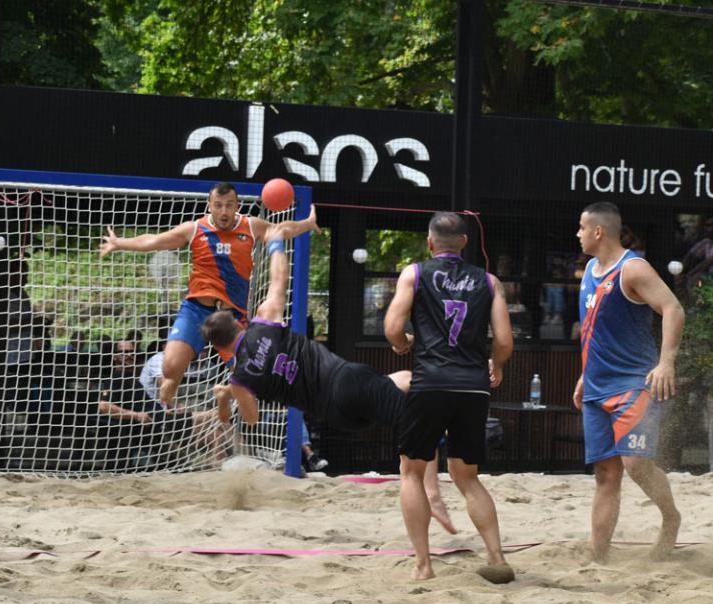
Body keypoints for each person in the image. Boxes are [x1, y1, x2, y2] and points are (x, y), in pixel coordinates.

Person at [203, 230, 455, 532]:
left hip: (339, 417)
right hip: (346, 380)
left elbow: (251, 419)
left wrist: (227, 396)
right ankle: (432, 492)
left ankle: (436, 440)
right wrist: (275, 242)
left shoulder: (240, 380)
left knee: (404, 379)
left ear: (220, 349)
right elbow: (280, 280)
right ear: (239, 323)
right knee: (421, 428)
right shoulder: (263, 321)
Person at [100, 184, 318, 407]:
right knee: (169, 368)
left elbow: (281, 230)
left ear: (237, 206)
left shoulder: (251, 226)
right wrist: (120, 243)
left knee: (253, 379)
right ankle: (170, 392)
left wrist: (307, 224)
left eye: (229, 205)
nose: (224, 211)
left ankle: (225, 399)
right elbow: (154, 240)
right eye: (218, 205)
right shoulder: (194, 229)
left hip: (230, 317)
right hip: (196, 310)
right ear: (210, 207)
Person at [383, 211, 514, 583]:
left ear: (429, 242)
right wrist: (498, 365)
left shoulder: (415, 273)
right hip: (472, 386)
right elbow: (504, 341)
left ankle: (423, 565)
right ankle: (497, 555)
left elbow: (392, 326)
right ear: (465, 243)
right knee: (467, 476)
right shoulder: (488, 282)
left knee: (411, 471)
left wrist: (401, 343)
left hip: (430, 382)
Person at [573, 201, 684, 563]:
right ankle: (598, 555)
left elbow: (673, 308)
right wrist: (583, 375)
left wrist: (666, 361)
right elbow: (595, 331)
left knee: (636, 464)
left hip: (633, 383)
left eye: (581, 228)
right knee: (606, 474)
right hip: (595, 386)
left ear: (598, 231)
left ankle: (671, 518)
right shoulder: (590, 268)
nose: (578, 234)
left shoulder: (632, 269)